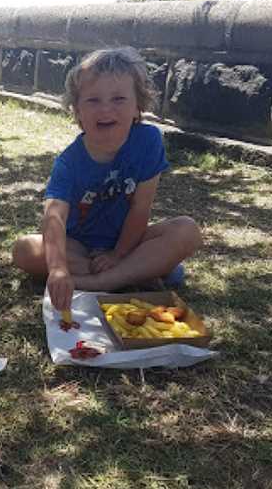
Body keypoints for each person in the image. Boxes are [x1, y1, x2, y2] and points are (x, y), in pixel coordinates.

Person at [11, 46, 202, 313]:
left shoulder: (149, 141)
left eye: (118, 99)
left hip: (129, 242)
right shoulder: (68, 162)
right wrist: (57, 269)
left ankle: (102, 282)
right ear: (77, 111)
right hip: (79, 249)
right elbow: (54, 218)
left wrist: (118, 255)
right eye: (93, 100)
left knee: (187, 230)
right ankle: (138, 273)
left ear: (138, 107)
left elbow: (140, 208)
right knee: (22, 249)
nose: (105, 109)